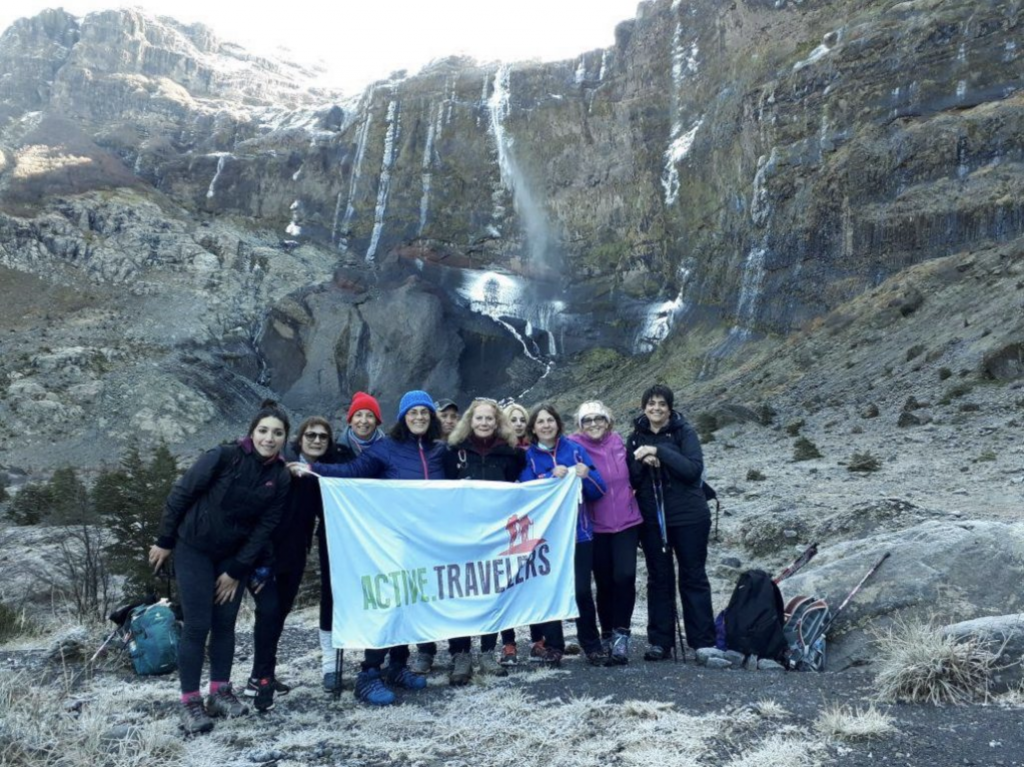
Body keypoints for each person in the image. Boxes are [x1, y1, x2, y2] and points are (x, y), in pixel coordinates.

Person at [290, 390, 444, 706]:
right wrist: (314, 469)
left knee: (411, 602)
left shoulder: (439, 452)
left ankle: (397, 667)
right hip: (392, 541)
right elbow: (352, 472)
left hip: (426, 543)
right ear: (403, 418)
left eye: (424, 413)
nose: (418, 418)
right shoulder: (387, 449)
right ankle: (369, 674)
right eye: (412, 413)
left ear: (431, 418)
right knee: (388, 600)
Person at [149, 400, 291, 734]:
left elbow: (265, 526)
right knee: (198, 624)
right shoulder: (224, 456)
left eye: (278, 433)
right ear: (252, 431)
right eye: (264, 430)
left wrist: (237, 570)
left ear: (285, 438)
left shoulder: (280, 476)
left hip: (232, 556)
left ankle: (219, 693)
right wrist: (165, 540)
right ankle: (189, 702)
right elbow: (181, 493)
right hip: (193, 548)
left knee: (226, 624)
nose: (269, 438)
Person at [242, 415, 353, 712]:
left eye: (322, 437)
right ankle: (260, 679)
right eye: (311, 435)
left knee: (279, 614)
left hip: (294, 553)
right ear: (299, 438)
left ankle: (263, 673)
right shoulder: (281, 466)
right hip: (265, 554)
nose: (316, 440)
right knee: (269, 611)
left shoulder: (320, 471)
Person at [626, 384, 716, 660]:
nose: (656, 408)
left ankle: (702, 641)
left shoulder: (684, 432)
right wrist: (643, 460)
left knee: (693, 575)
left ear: (670, 408)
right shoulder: (634, 437)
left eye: (662, 404)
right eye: (651, 403)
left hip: (689, 516)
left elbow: (692, 470)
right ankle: (660, 642)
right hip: (653, 519)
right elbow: (631, 478)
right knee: (659, 578)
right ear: (644, 407)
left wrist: (659, 452)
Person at [441, 398, 525, 683]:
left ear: (498, 421)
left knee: (492, 592)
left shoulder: (511, 454)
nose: (485, 423)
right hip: (460, 535)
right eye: (479, 418)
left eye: (490, 418)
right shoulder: (453, 451)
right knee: (460, 593)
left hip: (495, 536)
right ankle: (460, 655)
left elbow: (522, 489)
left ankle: (488, 652)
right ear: (470, 421)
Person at [518, 403, 606, 666]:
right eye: (540, 422)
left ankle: (592, 645)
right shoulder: (530, 457)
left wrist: (586, 474)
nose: (546, 425)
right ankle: (554, 646)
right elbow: (524, 492)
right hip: (547, 538)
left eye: (550, 420)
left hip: (579, 535)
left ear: (558, 424)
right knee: (549, 590)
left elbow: (599, 490)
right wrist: (548, 476)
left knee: (581, 591)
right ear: (533, 428)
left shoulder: (575, 450)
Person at [567, 401, 643, 665]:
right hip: (595, 525)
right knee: (604, 582)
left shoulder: (620, 443)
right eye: (586, 420)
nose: (593, 424)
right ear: (579, 425)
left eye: (598, 418)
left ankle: (622, 634)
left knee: (625, 576)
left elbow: (635, 474)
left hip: (627, 521)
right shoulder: (573, 447)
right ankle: (608, 633)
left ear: (608, 421)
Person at [318, 392, 384, 691]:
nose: (364, 420)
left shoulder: (387, 449)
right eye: (359, 415)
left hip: (376, 534)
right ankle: (330, 665)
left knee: (379, 590)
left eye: (370, 415)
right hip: (336, 532)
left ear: (377, 420)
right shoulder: (334, 450)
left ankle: (377, 661)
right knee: (332, 594)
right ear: (350, 419)